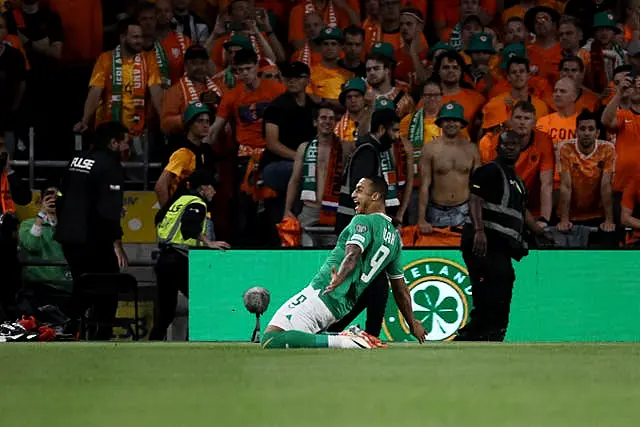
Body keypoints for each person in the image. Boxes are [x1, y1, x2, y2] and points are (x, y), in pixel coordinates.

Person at [262, 176, 426, 349]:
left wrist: (340, 276)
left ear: (375, 196)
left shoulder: (363, 220)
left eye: (360, 190)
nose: (354, 194)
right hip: (340, 307)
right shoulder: (394, 239)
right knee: (304, 341)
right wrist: (412, 323)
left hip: (322, 293)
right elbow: (400, 289)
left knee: (271, 338)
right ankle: (344, 337)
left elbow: (353, 253)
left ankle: (347, 340)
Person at [456, 130, 552, 342]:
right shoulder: (488, 171)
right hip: (484, 241)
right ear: (497, 147)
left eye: (515, 145)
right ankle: (478, 333)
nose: (510, 148)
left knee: (502, 282)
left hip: (500, 245)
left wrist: (538, 231)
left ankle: (491, 332)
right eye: (506, 144)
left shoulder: (518, 182)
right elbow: (475, 200)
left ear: (521, 149)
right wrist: (479, 230)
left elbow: (521, 211)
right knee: (490, 288)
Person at [55, 121, 130, 341]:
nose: (129, 149)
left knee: (85, 284)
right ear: (114, 143)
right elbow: (109, 210)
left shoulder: (76, 160)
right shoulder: (110, 165)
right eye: (126, 143)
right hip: (92, 238)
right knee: (107, 285)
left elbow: (61, 197)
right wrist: (116, 243)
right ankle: (93, 332)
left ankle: (66, 326)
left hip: (69, 237)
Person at [151, 169, 230, 340]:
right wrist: (209, 242)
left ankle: (153, 342)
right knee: (201, 299)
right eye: (212, 187)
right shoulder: (197, 204)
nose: (214, 192)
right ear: (202, 188)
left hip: (164, 258)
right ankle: (194, 339)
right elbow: (189, 227)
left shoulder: (179, 200)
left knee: (165, 311)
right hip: (178, 259)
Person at [283, 107, 349, 247]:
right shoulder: (304, 148)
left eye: (331, 118)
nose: (328, 122)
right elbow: (294, 180)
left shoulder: (344, 148)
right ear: (315, 122)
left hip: (335, 209)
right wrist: (287, 210)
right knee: (303, 250)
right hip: (309, 209)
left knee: (332, 255)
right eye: (323, 118)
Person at [418, 102, 480, 235]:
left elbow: (477, 187)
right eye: (447, 120)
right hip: (437, 211)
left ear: (462, 123)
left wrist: (478, 220)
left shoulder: (472, 149)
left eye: (455, 120)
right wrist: (421, 219)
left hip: (465, 210)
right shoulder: (430, 149)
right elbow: (424, 186)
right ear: (440, 123)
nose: (451, 124)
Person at [557, 110, 616, 244]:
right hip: (570, 214)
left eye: (591, 129)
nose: (586, 133)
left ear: (597, 133)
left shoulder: (608, 149)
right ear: (576, 131)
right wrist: (564, 220)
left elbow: (606, 185)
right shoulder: (565, 148)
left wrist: (609, 220)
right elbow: (566, 186)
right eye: (582, 129)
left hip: (597, 213)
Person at [155, 102, 215, 207]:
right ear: (189, 124)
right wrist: (167, 215)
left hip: (199, 211)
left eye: (207, 121)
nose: (205, 125)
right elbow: (160, 186)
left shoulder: (206, 150)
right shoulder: (183, 151)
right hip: (182, 214)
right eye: (200, 121)